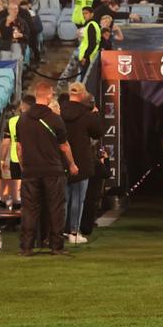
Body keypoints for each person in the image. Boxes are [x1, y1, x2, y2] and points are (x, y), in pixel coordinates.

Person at [16, 81, 78, 256]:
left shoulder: (23, 119)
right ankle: (56, 246)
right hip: (52, 170)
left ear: (36, 95)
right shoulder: (55, 119)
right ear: (49, 95)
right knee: (56, 208)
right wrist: (72, 164)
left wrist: (23, 166)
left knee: (29, 208)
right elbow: (64, 146)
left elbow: (19, 148)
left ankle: (27, 247)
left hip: (30, 171)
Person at [62, 81, 106, 244]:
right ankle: (74, 232)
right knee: (78, 199)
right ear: (82, 95)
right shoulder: (86, 114)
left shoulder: (59, 111)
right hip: (81, 161)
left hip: (62, 161)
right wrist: (95, 114)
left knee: (63, 200)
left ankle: (61, 232)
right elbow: (98, 132)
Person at [1, 95, 35, 179]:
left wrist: (2, 160)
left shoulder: (12, 121)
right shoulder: (36, 121)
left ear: (22, 105)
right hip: (33, 161)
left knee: (16, 189)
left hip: (15, 160)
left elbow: (6, 143)